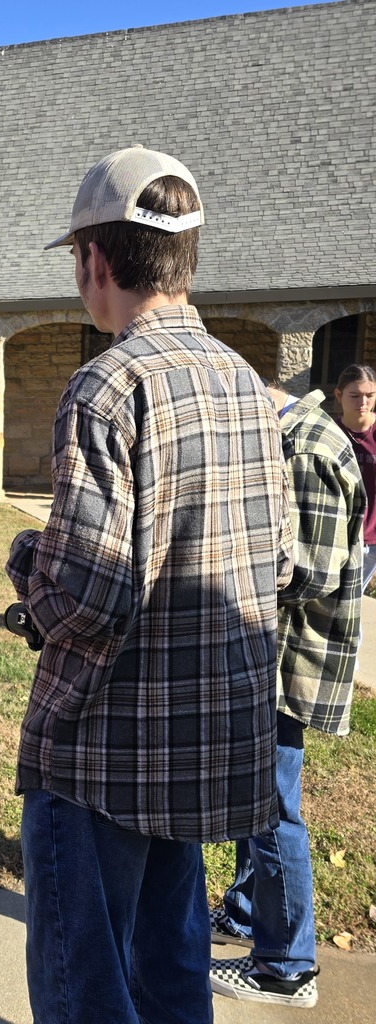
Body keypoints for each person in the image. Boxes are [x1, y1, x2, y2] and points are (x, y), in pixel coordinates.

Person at [5, 145, 293, 1024]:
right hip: (205, 744)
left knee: (83, 983)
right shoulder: (248, 384)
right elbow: (278, 562)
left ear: (97, 260)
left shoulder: (106, 386)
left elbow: (85, 597)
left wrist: (27, 561)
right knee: (173, 975)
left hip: (103, 749)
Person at [209, 384, 364, 1008]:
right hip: (273, 652)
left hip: (288, 661)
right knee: (259, 797)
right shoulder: (297, 436)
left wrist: (227, 562)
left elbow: (313, 571)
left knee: (273, 806)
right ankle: (250, 913)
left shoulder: (305, 449)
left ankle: (287, 965)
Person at [333, 364, 376, 589]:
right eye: (355, 395)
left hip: (372, 538)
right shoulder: (329, 432)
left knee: (351, 601)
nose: (363, 403)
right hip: (337, 536)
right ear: (338, 395)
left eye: (370, 396)